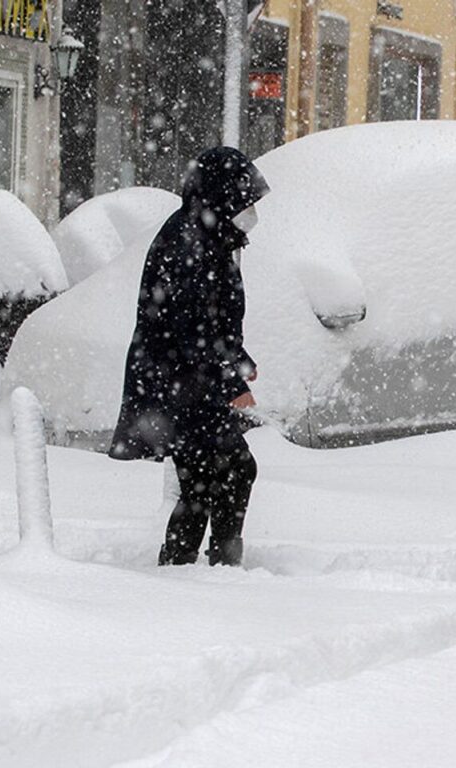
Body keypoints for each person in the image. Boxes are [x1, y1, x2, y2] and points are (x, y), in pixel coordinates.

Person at [109, 147, 270, 567]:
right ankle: (217, 563)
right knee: (234, 469)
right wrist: (231, 382)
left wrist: (240, 360)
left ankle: (186, 564)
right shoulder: (190, 242)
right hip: (181, 383)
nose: (250, 210)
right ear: (222, 194)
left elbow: (211, 319)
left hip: (185, 380)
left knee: (202, 476)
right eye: (245, 199)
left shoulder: (206, 234)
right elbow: (191, 327)